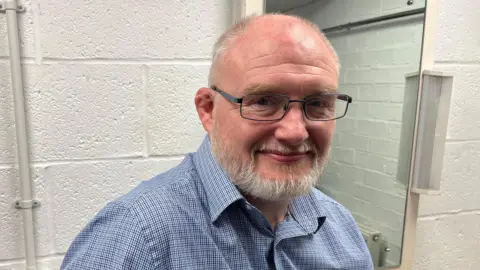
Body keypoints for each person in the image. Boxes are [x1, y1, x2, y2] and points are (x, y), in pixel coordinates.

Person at [61, 14, 374, 270]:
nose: (294, 132)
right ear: (208, 110)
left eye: (319, 103)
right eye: (263, 100)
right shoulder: (134, 238)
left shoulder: (340, 229)